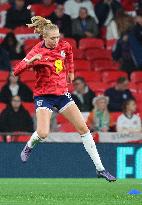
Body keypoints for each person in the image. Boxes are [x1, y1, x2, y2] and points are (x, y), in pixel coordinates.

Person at [14, 16, 116, 182]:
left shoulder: (64, 45)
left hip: (61, 94)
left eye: (58, 37)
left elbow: (68, 54)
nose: (56, 41)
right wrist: (30, 62)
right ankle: (29, 146)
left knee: (83, 129)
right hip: (44, 96)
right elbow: (16, 71)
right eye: (52, 38)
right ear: (44, 38)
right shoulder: (36, 51)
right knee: (43, 133)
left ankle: (100, 168)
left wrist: (71, 71)